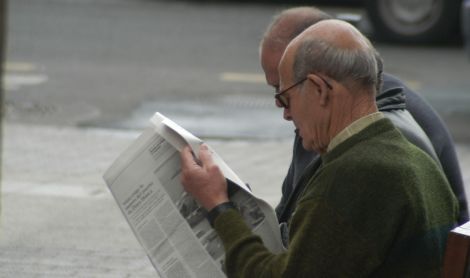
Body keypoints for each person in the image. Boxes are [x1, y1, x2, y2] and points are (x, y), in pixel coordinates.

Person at [180, 19, 458, 277]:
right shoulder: (412, 157)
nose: (286, 115)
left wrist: (219, 207)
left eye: (284, 98)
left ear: (319, 89)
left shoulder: (355, 176)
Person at [260, 7, 468, 225]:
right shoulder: (334, 120)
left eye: (284, 91)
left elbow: (309, 244)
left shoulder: (370, 142)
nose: (283, 108)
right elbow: (290, 214)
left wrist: (227, 216)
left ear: (317, 85)